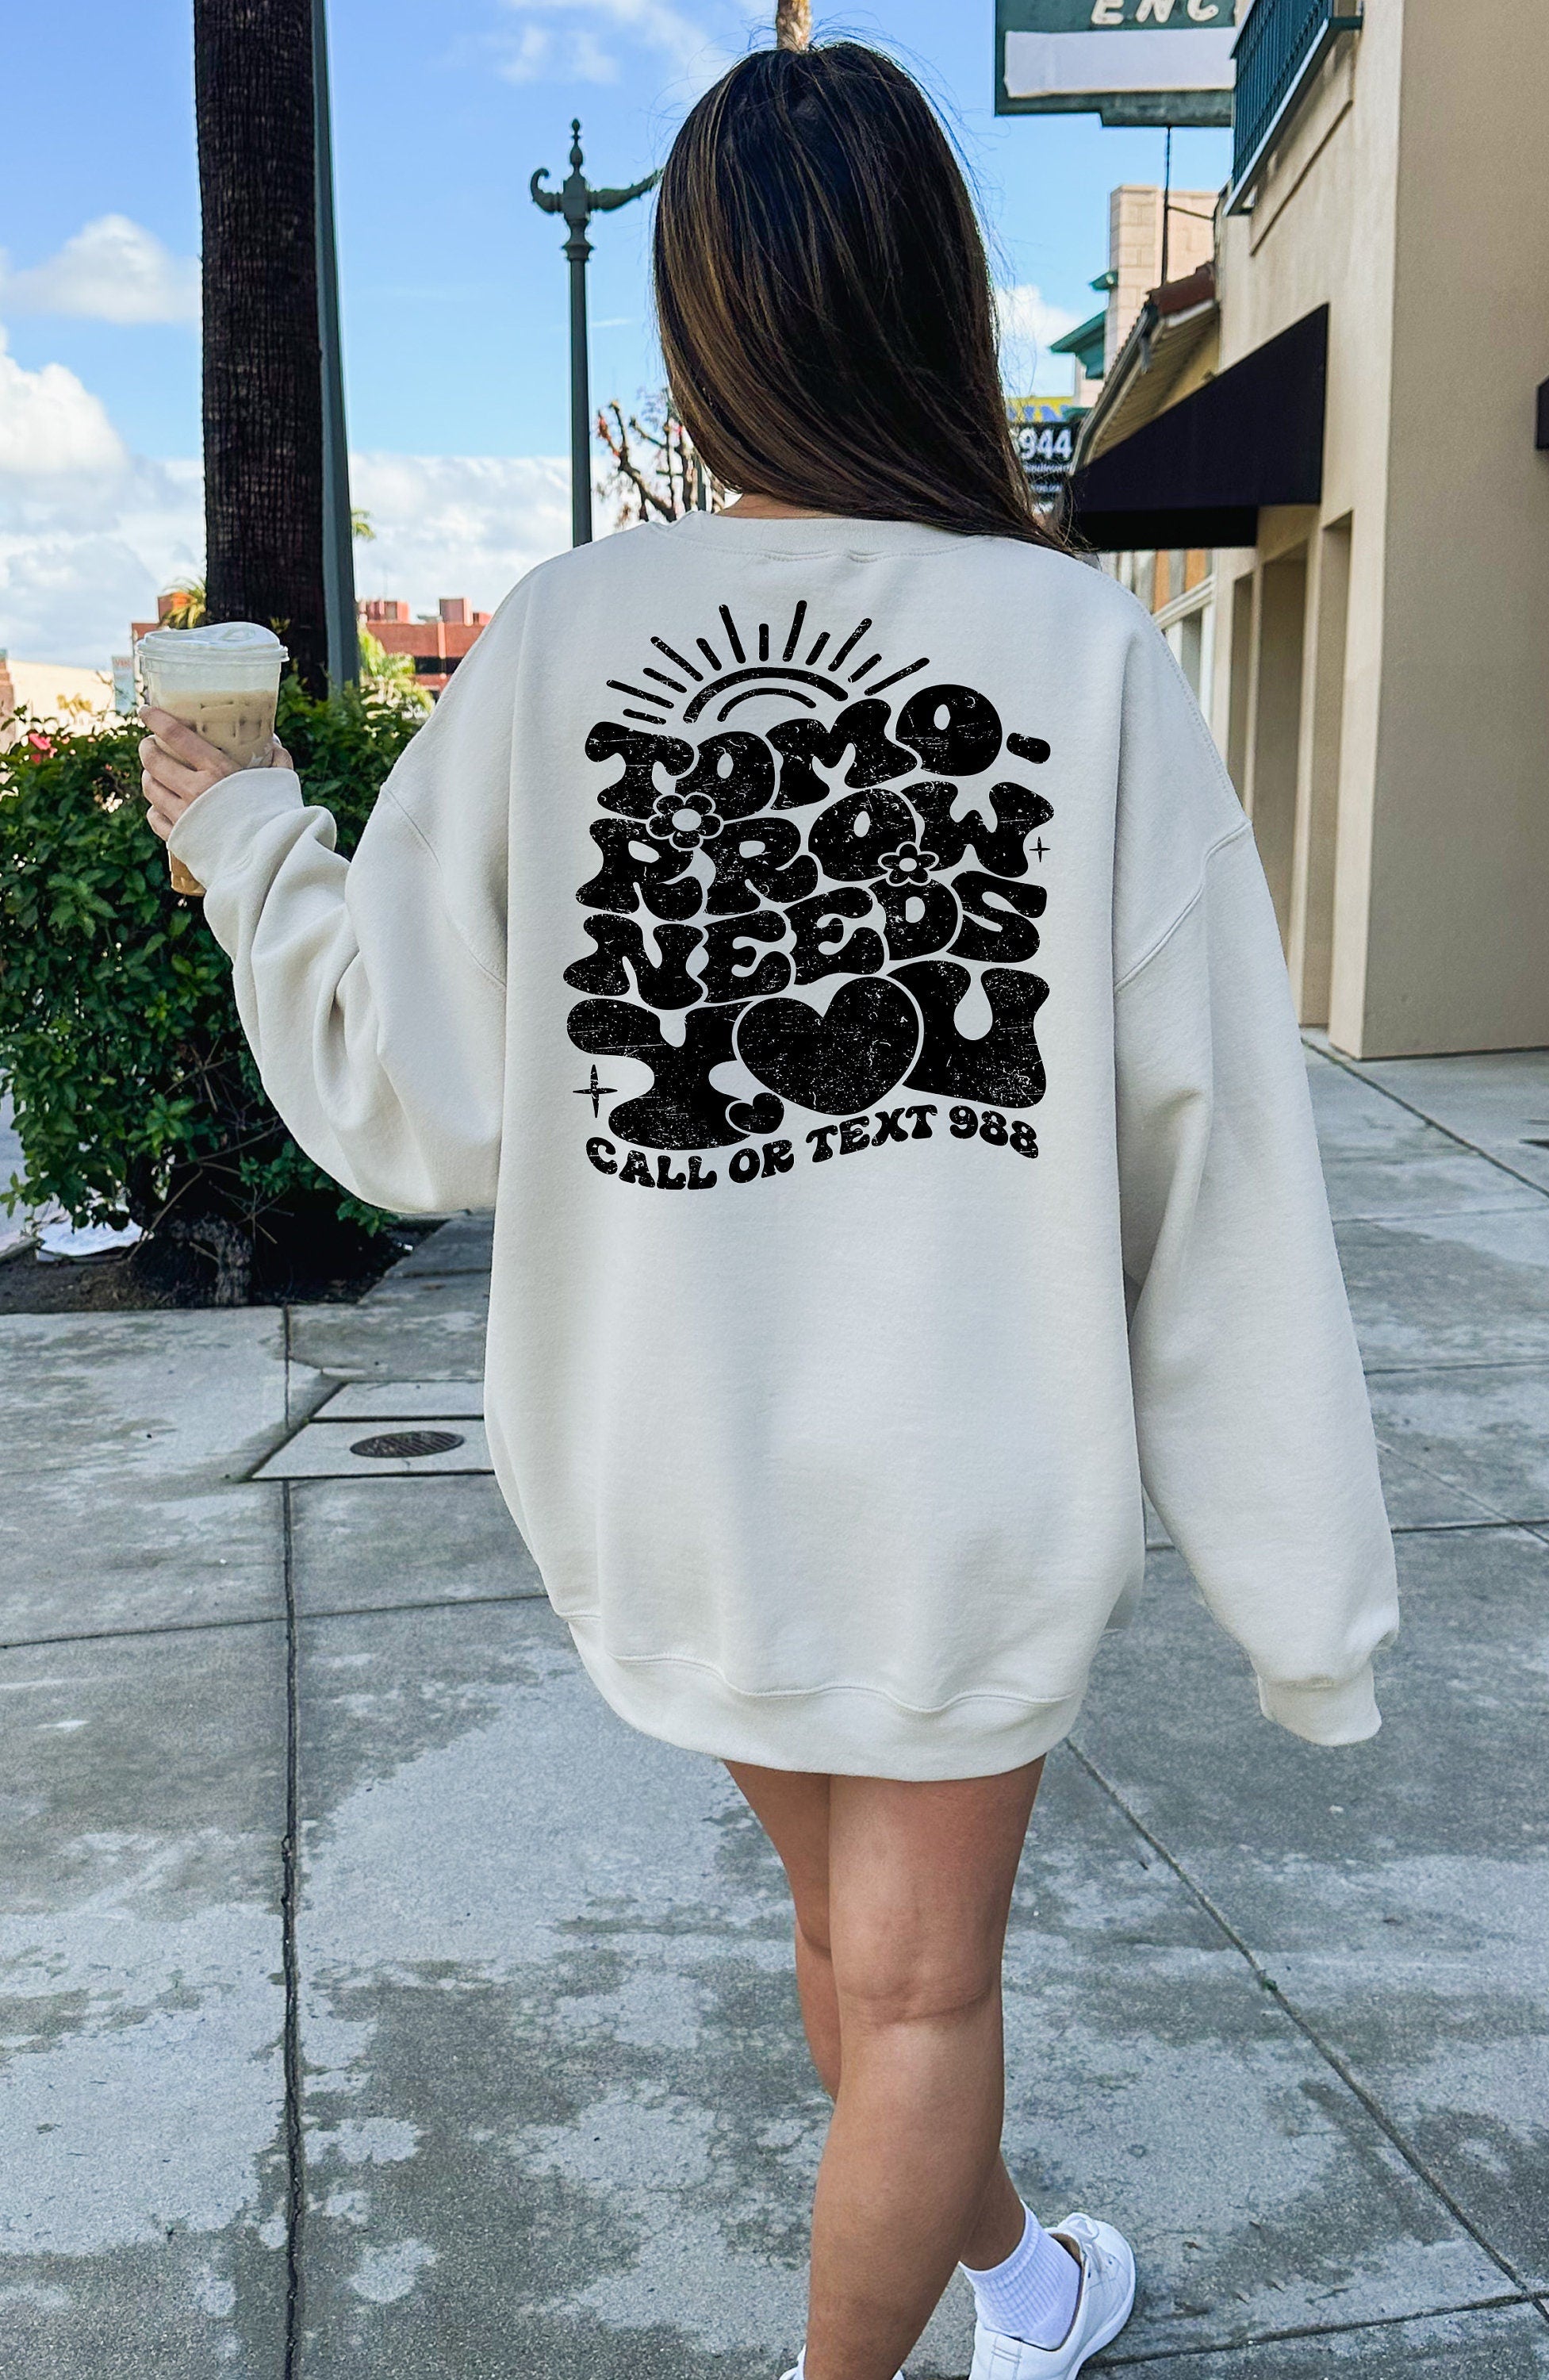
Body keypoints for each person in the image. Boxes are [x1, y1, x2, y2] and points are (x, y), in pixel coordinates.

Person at [138, 41, 1398, 2380]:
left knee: (860, 1949)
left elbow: (412, 1092)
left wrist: (237, 833)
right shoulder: (1078, 655)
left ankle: (1026, 2286)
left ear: (703, 318)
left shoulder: (557, 636)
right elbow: (1212, 1144)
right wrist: (1300, 1595)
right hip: (960, 1469)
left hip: (676, 1464)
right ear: (930, 293)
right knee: (916, 1990)